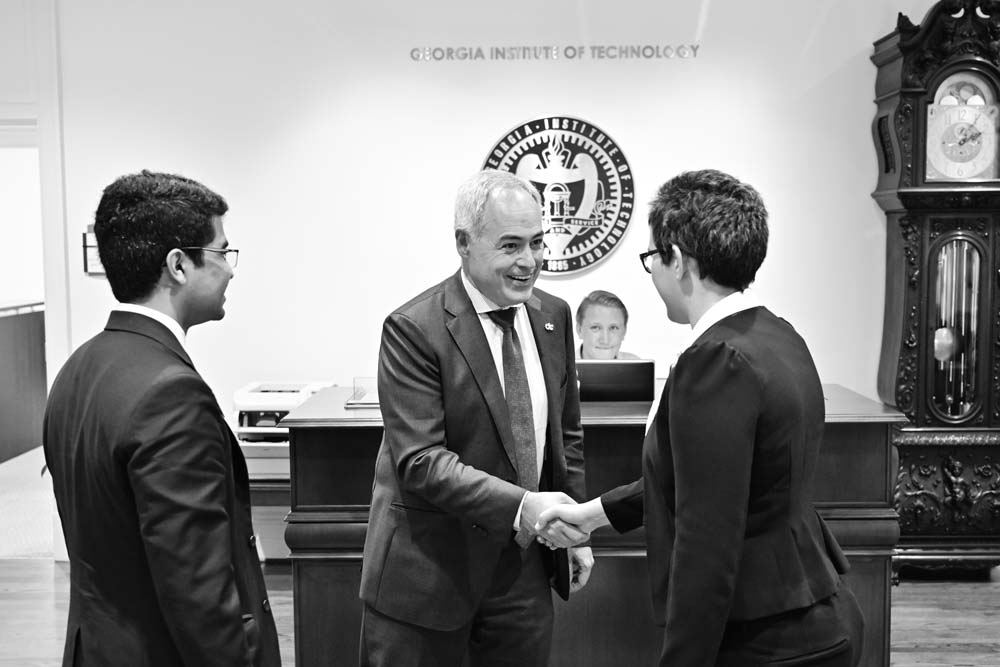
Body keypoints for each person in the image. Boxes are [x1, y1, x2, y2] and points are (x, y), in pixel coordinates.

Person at [537, 169, 864, 666]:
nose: (655, 276)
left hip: (765, 638)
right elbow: (712, 479)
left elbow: (705, 541)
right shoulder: (776, 334)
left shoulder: (716, 360)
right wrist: (594, 515)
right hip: (812, 610)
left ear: (678, 261)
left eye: (652, 259)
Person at [43, 171, 281, 666]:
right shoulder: (171, 394)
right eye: (221, 252)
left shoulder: (77, 368)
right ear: (178, 265)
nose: (231, 270)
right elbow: (198, 595)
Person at [359, 169, 593, 666]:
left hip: (524, 577)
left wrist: (572, 528)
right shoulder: (414, 328)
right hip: (429, 576)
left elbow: (564, 436)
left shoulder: (554, 316)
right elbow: (421, 460)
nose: (528, 262)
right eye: (510, 246)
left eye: (536, 242)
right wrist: (524, 506)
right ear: (464, 243)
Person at [575, 290, 640, 360]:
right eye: (595, 327)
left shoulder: (637, 365)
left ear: (624, 332)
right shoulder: (563, 368)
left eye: (613, 328)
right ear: (579, 330)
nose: (605, 341)